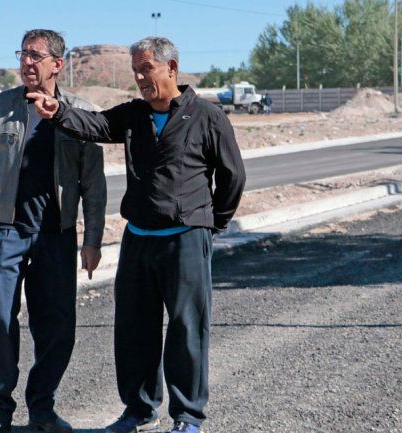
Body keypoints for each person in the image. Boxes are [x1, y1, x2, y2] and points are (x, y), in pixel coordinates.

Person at [27, 36, 246, 433]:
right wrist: (58, 112)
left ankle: (188, 416)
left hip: (185, 239)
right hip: (138, 239)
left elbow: (232, 176)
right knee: (133, 330)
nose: (140, 77)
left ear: (172, 69)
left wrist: (212, 224)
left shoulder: (207, 117)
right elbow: (95, 125)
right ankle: (140, 410)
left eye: (146, 68)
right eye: (135, 70)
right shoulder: (134, 114)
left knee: (186, 331)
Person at [0, 29, 106, 433]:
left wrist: (92, 240)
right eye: (22, 54)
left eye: (35, 56)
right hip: (5, 233)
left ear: (57, 65)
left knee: (58, 326)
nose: (26, 62)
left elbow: (94, 185)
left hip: (57, 235)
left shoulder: (78, 112)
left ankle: (42, 408)